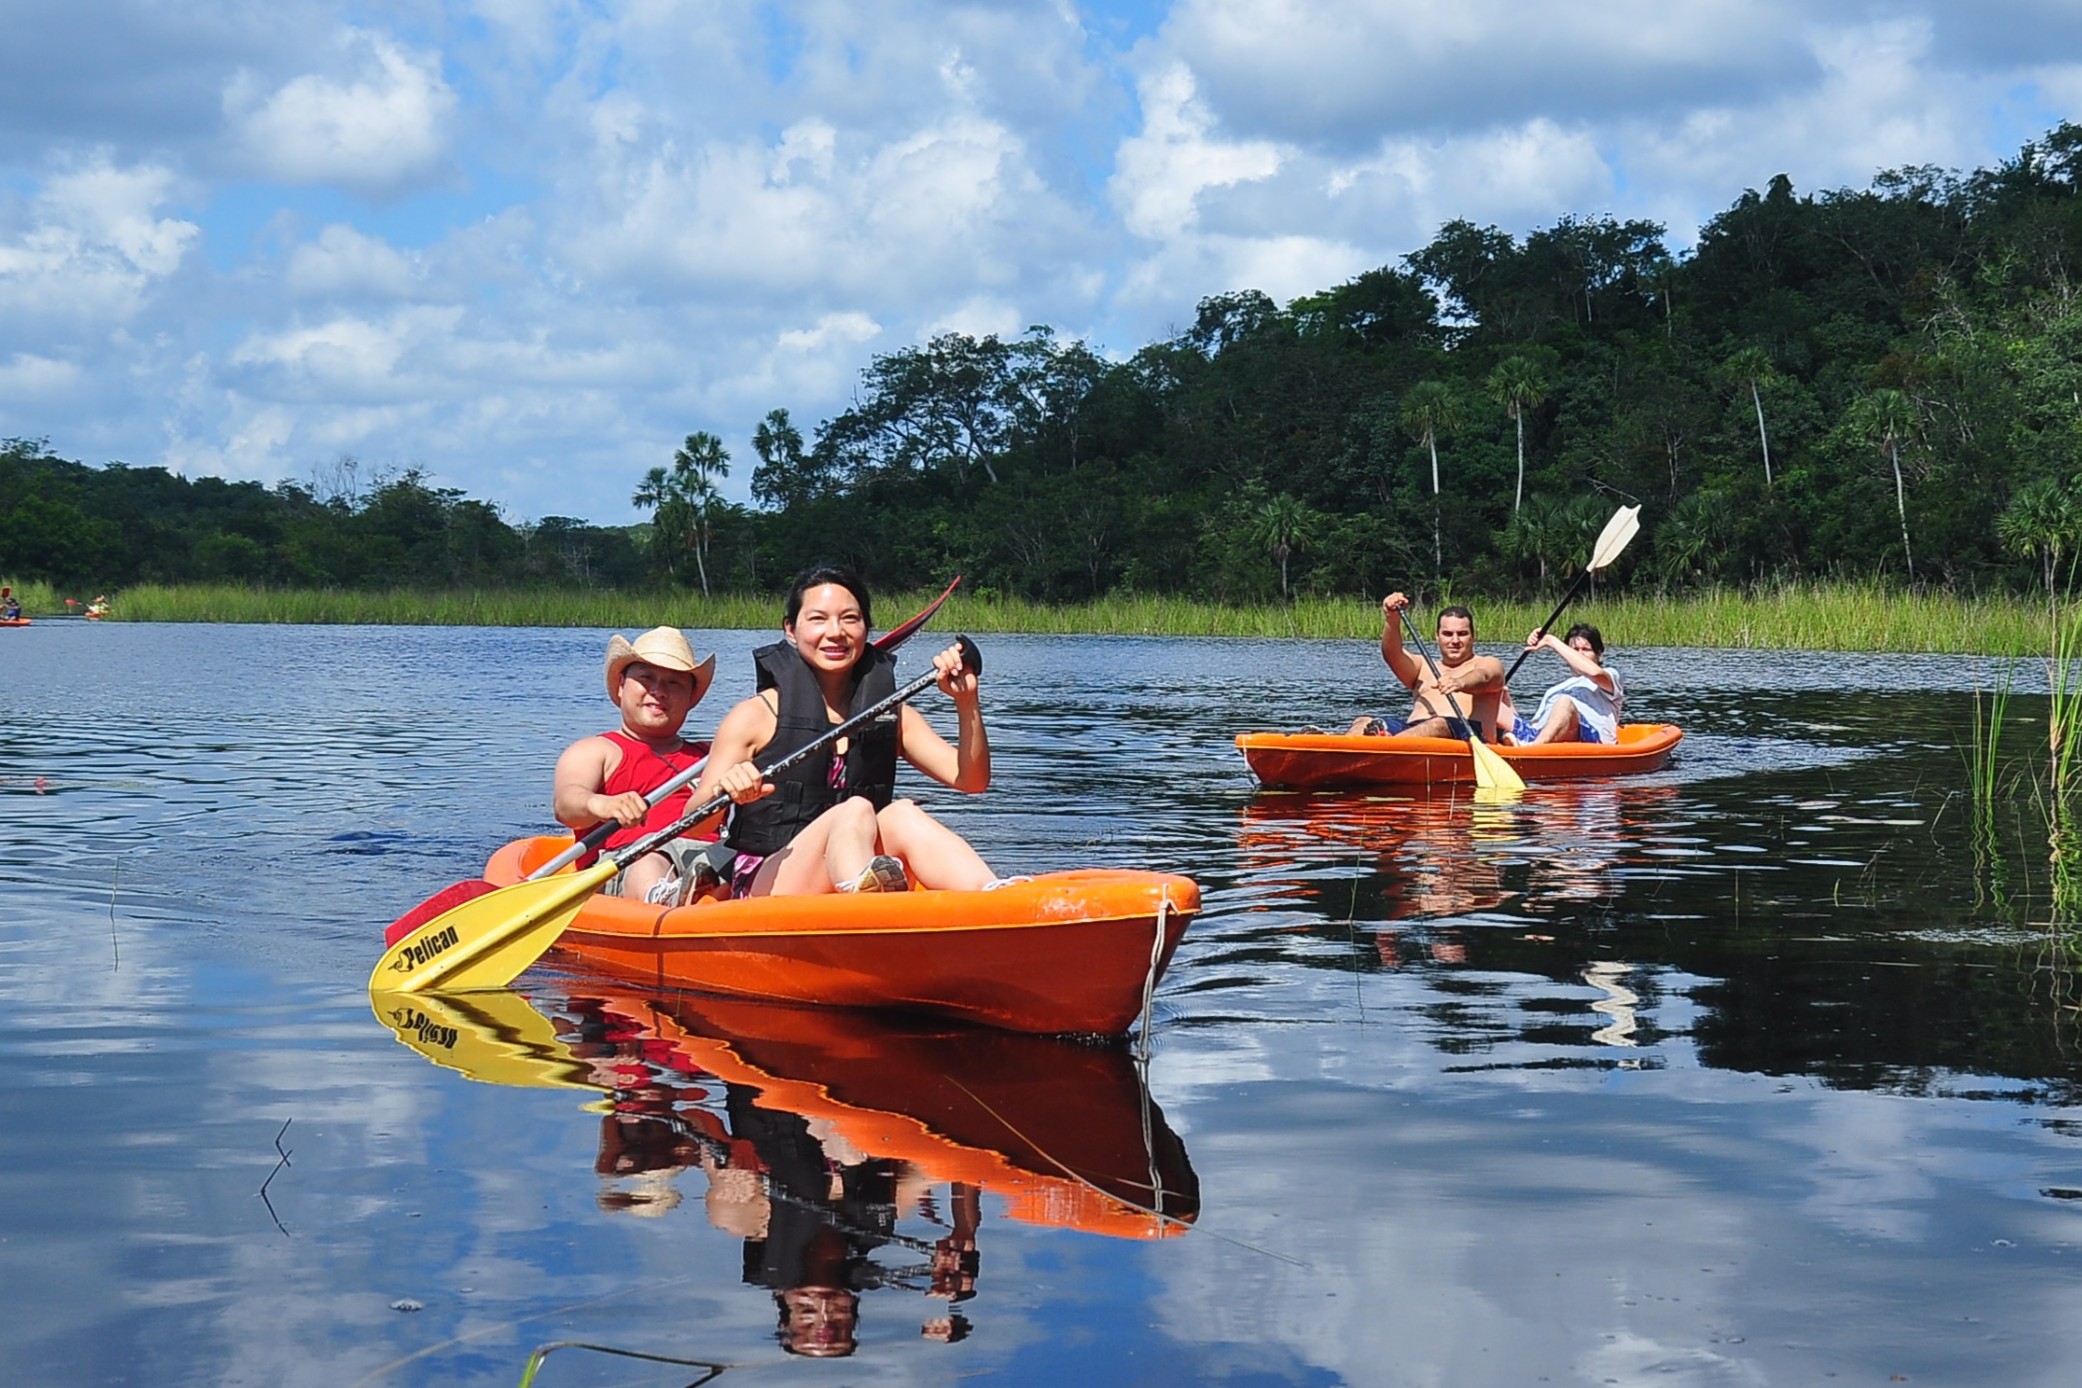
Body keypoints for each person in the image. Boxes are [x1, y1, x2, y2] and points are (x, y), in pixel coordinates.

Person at [694, 564, 1002, 897]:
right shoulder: (754, 716)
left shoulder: (892, 714)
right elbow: (695, 824)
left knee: (902, 815)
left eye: (850, 618)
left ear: (866, 629)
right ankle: (866, 897)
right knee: (855, 809)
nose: (835, 632)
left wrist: (966, 700)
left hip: (853, 869)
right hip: (771, 883)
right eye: (817, 619)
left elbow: (971, 780)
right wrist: (724, 793)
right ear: (791, 630)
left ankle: (995, 897)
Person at [552, 626, 719, 904]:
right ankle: (663, 899)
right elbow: (567, 804)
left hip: (706, 858)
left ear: (691, 697)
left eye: (674, 683)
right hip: (627, 861)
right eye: (646, 678)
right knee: (649, 854)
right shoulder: (596, 750)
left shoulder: (712, 754)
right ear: (621, 686)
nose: (658, 691)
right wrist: (601, 804)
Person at [1345, 592, 1510, 742]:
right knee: (1364, 721)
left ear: (1473, 637)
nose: (1454, 641)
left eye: (1462, 634)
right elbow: (1392, 654)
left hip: (1467, 734)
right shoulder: (1422, 666)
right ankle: (1339, 754)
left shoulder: (1487, 663)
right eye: (1447, 634)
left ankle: (1385, 747)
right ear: (1437, 637)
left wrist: (1460, 682)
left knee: (1438, 724)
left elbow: (1485, 675)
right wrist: (1392, 618)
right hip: (1413, 732)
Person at [1506, 622, 1625, 745]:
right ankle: (1491, 744)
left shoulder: (1610, 675)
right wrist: (1503, 696)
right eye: (1574, 650)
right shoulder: (1554, 690)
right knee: (1494, 686)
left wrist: (1550, 640)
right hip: (1541, 734)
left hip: (1591, 740)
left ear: (1599, 655)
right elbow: (1535, 724)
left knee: (1565, 702)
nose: (1579, 654)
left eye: (1585, 649)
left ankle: (1533, 749)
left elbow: (1595, 674)